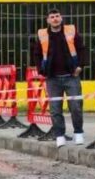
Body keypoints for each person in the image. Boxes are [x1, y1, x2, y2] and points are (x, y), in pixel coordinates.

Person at [31, 9, 86, 146]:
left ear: (61, 18)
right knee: (55, 109)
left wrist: (80, 66)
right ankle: (59, 135)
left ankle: (78, 132)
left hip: (72, 76)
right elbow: (37, 54)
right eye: (52, 17)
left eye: (57, 16)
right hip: (52, 78)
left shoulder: (71, 31)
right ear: (48, 20)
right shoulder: (42, 34)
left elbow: (82, 49)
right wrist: (40, 70)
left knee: (76, 107)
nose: (55, 19)